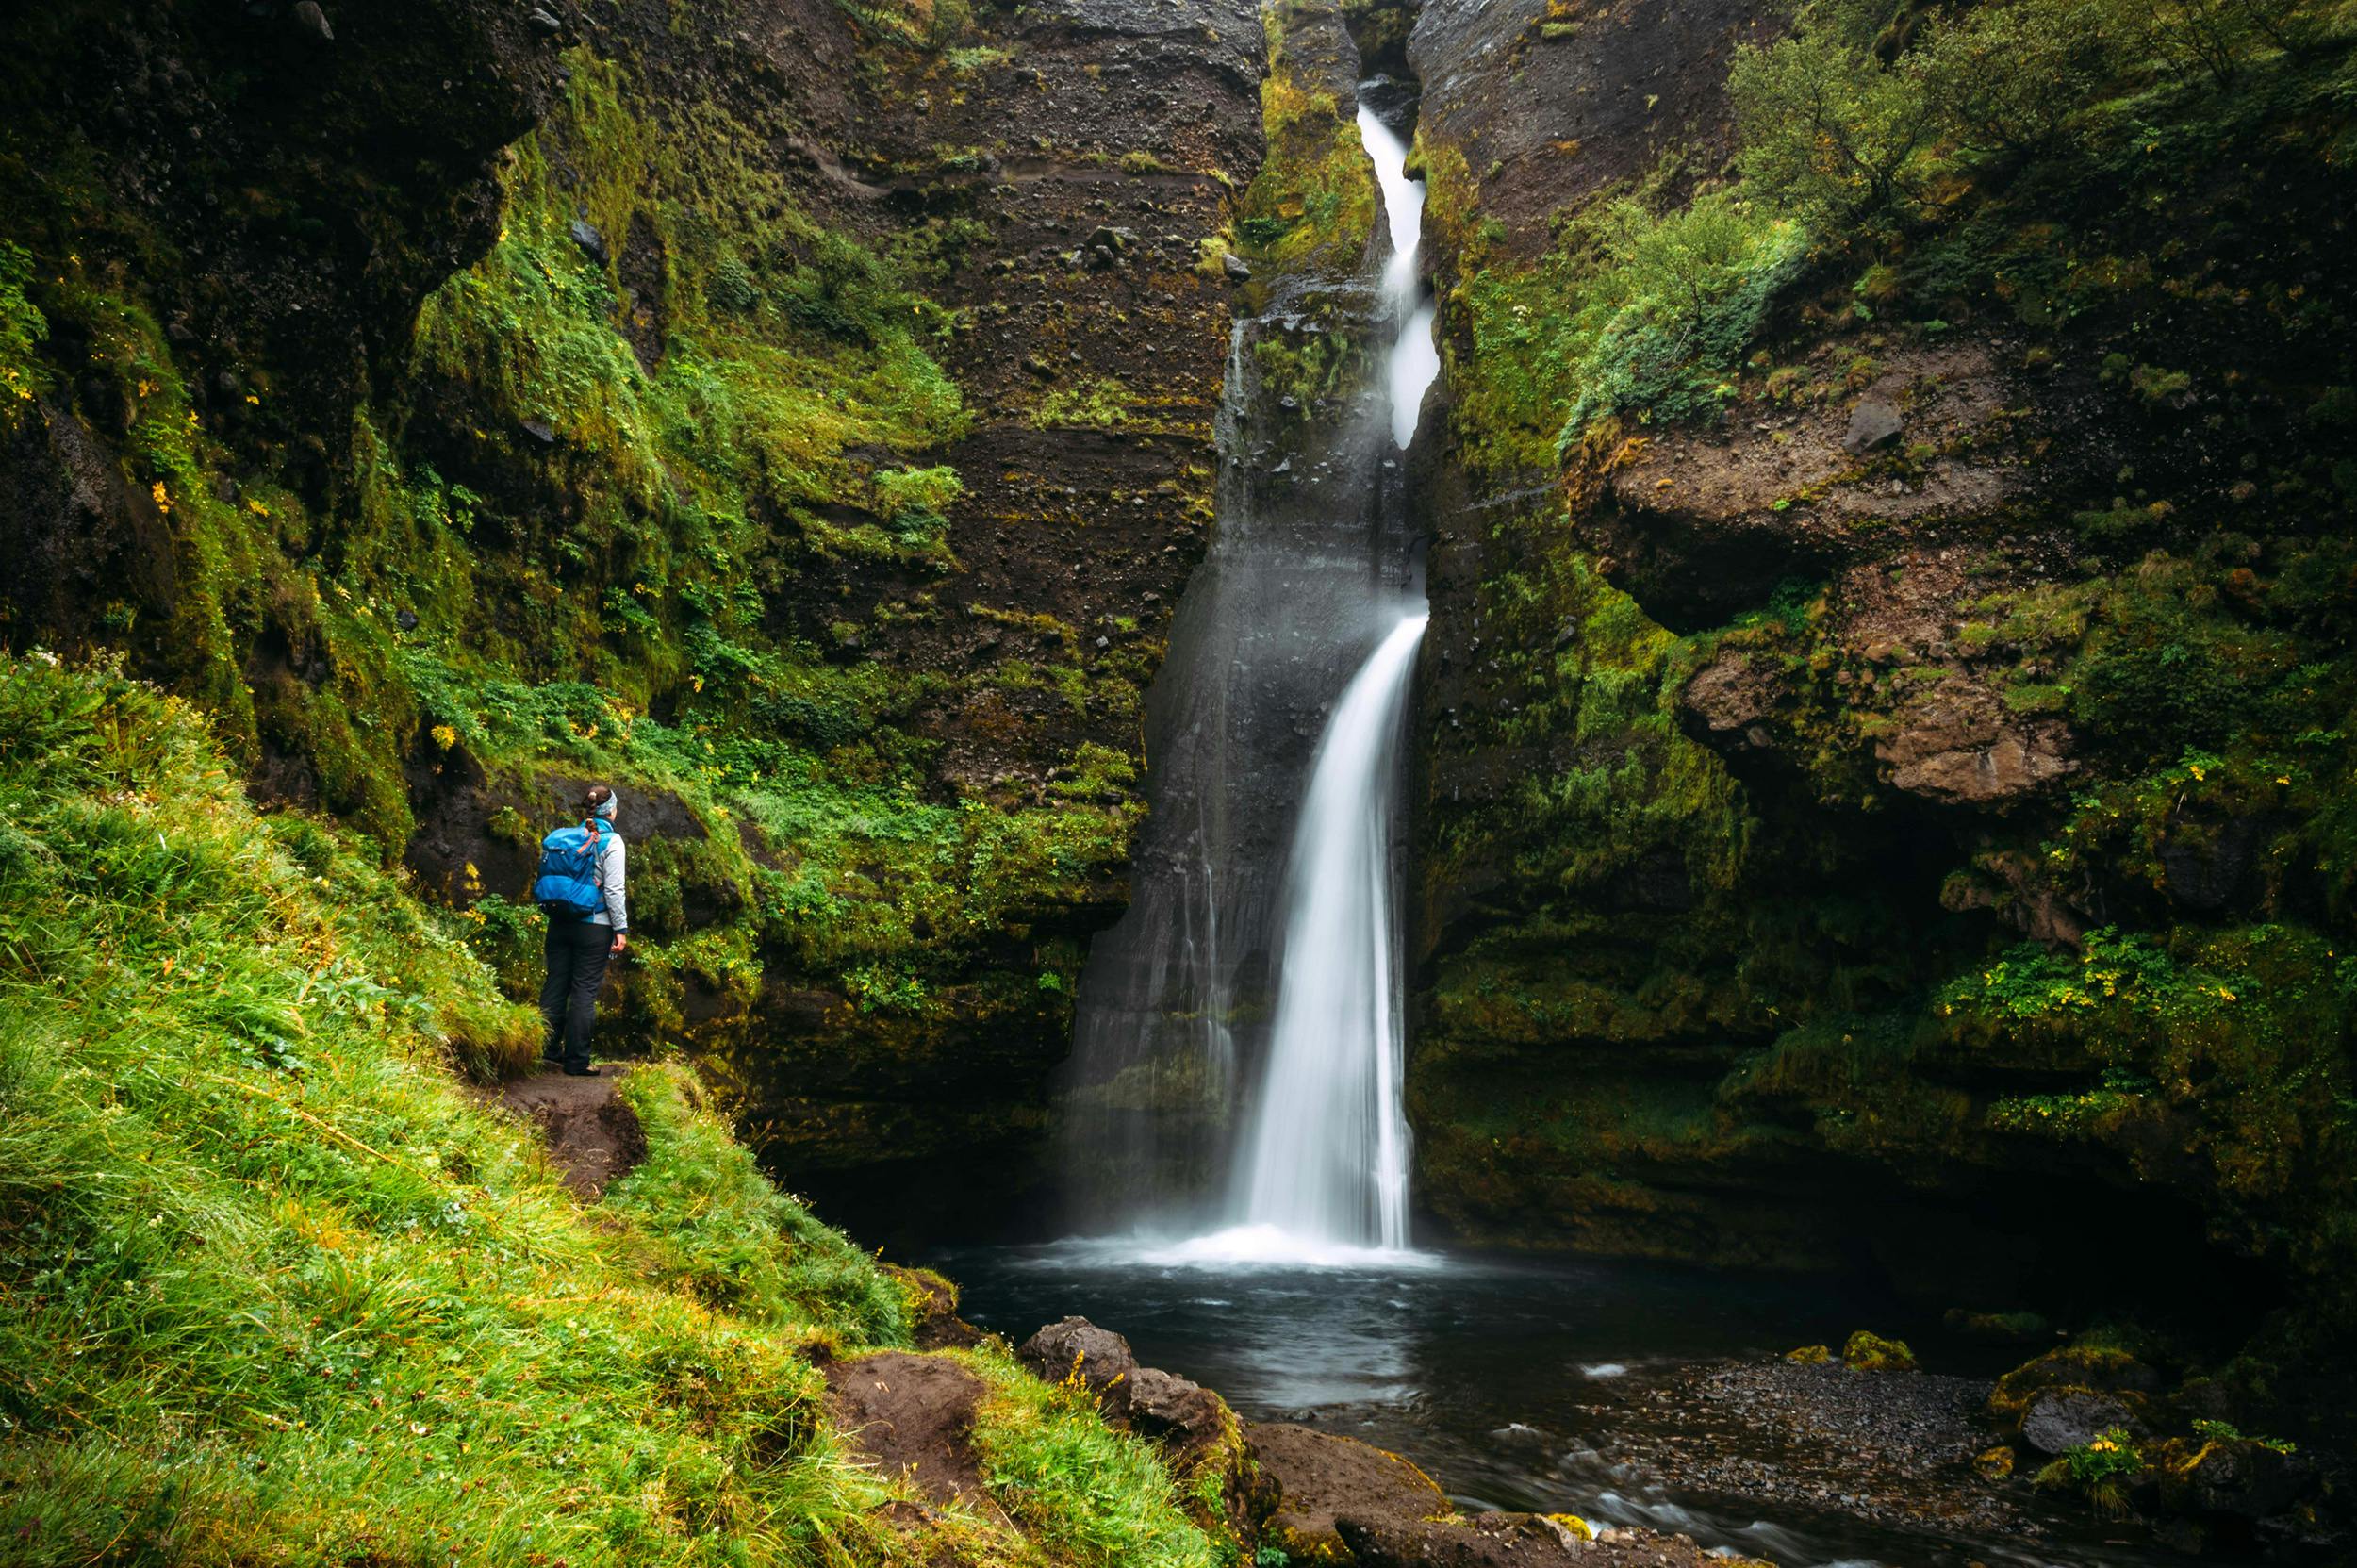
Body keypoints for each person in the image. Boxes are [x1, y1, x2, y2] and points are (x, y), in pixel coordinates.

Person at [536, 784, 629, 1076]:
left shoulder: (567, 836)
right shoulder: (611, 842)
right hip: (594, 926)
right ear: (611, 811)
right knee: (584, 992)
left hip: (560, 922)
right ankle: (576, 1061)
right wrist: (621, 928)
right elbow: (614, 890)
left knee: (555, 985)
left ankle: (546, 1052)